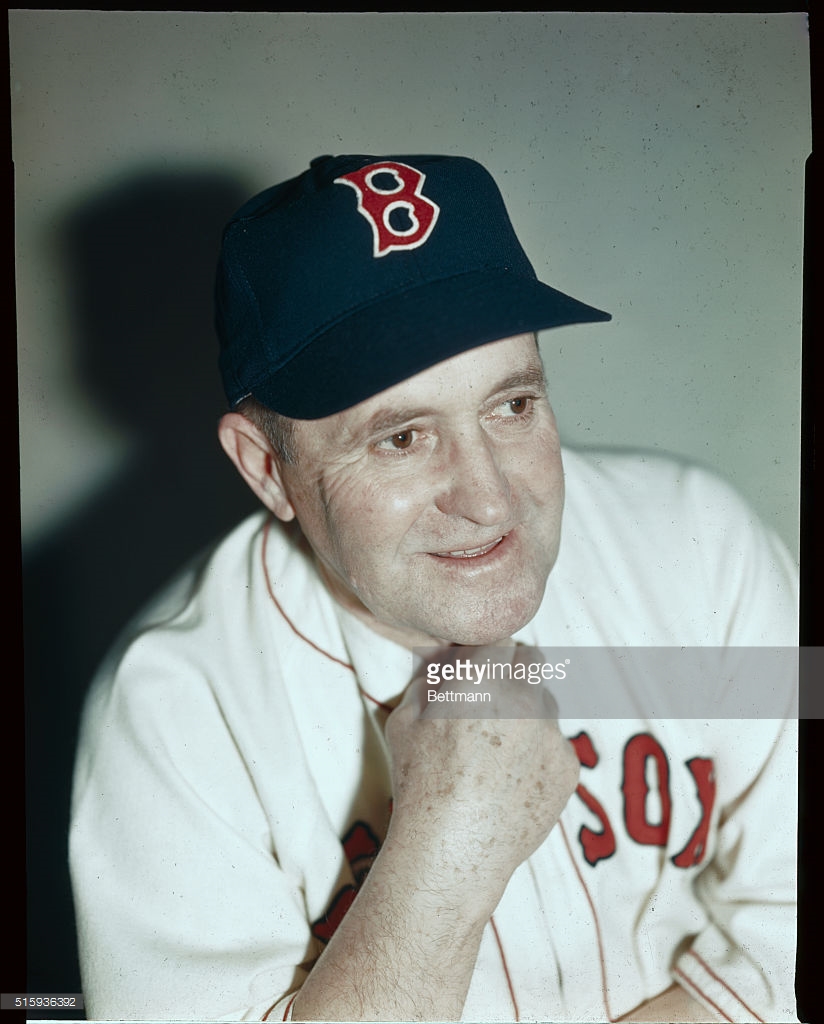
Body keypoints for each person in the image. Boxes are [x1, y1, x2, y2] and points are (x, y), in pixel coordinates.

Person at [69, 154, 799, 1023]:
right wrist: (442, 865)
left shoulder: (701, 543)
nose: (490, 498)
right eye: (403, 437)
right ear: (268, 470)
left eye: (512, 406)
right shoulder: (175, 713)